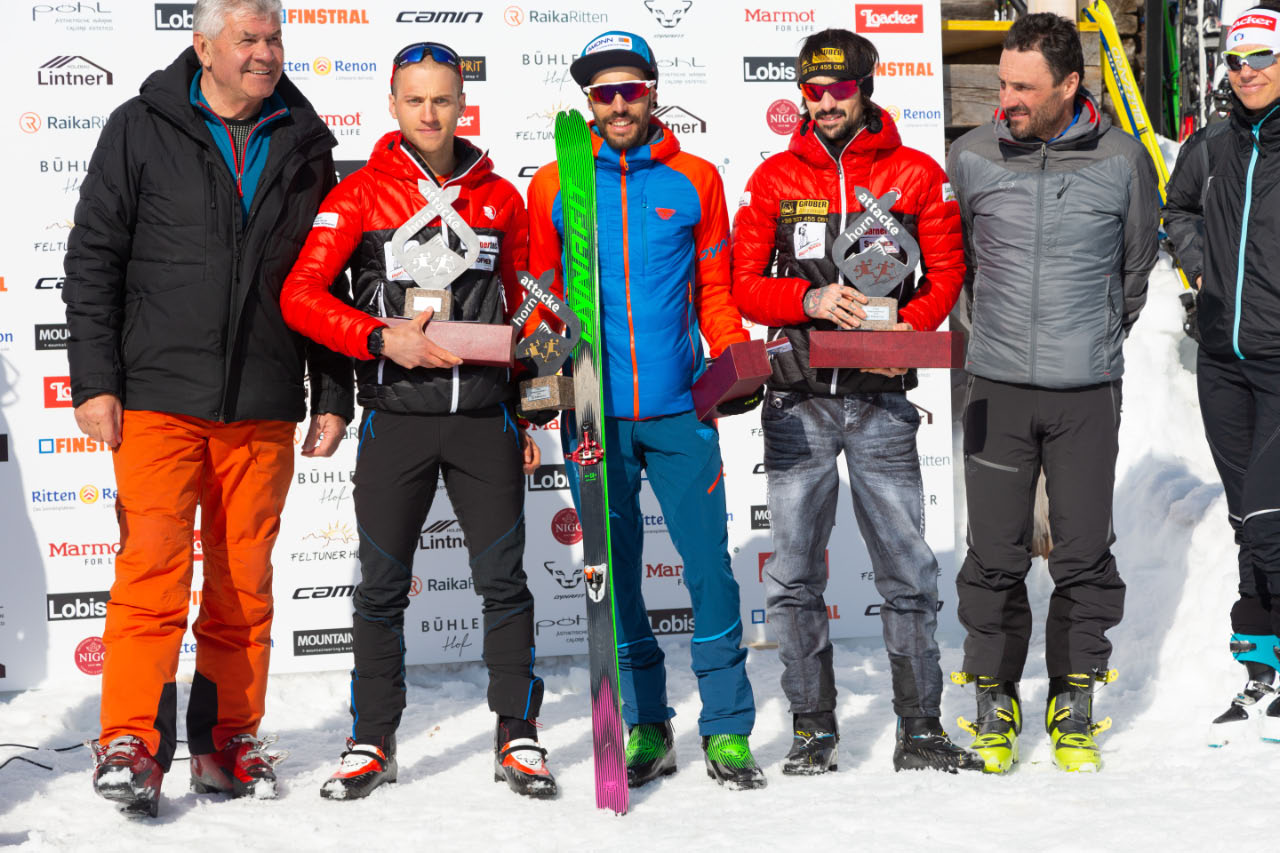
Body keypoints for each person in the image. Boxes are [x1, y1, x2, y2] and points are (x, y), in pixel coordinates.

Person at [64, 0, 352, 816]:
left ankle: (228, 741)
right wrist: (95, 379)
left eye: (274, 38)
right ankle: (131, 742)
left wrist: (332, 390)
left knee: (244, 583)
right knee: (151, 575)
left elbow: (323, 278)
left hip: (262, 400)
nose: (265, 53)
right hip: (158, 396)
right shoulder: (139, 127)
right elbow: (93, 258)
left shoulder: (306, 141)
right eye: (247, 39)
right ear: (203, 47)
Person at [280, 41, 556, 800]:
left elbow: (533, 310)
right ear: (392, 104)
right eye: (415, 100)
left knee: (504, 583)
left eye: (442, 99)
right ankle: (372, 739)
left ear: (463, 103)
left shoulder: (499, 197)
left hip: (485, 421)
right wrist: (380, 338)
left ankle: (517, 733)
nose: (429, 114)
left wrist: (534, 415)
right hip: (396, 419)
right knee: (380, 589)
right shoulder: (360, 195)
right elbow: (300, 295)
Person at [732, 29, 978, 776]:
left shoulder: (916, 172)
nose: (825, 101)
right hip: (797, 402)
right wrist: (807, 299)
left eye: (838, 89)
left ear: (866, 87)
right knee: (793, 576)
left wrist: (911, 324)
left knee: (907, 571)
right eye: (813, 90)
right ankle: (813, 728)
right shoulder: (774, 177)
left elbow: (948, 269)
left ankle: (921, 728)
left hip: (882, 403)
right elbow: (744, 283)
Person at [527, 30, 765, 790]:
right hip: (592, 412)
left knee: (710, 570)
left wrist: (732, 361)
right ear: (588, 102)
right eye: (605, 93)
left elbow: (716, 289)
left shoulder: (695, 179)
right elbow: (542, 298)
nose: (619, 104)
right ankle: (648, 724)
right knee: (613, 574)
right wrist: (541, 378)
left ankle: (726, 729)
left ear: (653, 91)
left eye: (631, 89)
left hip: (677, 409)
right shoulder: (554, 185)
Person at [946, 12, 1158, 773]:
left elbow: (1135, 269)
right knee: (993, 553)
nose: (1005, 99)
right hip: (996, 389)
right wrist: (994, 338)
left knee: (1084, 552)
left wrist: (1091, 338)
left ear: (1070, 85)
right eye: (1001, 83)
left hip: (1085, 393)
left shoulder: (1123, 160)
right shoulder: (971, 155)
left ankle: (1074, 696)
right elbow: (959, 263)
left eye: (1023, 88)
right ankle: (994, 694)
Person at [1165, 3, 1280, 745]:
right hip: (1221, 358)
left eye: (1261, 58)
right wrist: (1199, 264)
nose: (1247, 72)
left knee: (1271, 518)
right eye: (1236, 61)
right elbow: (1176, 211)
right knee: (1247, 522)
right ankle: (1259, 667)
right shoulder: (1209, 145)